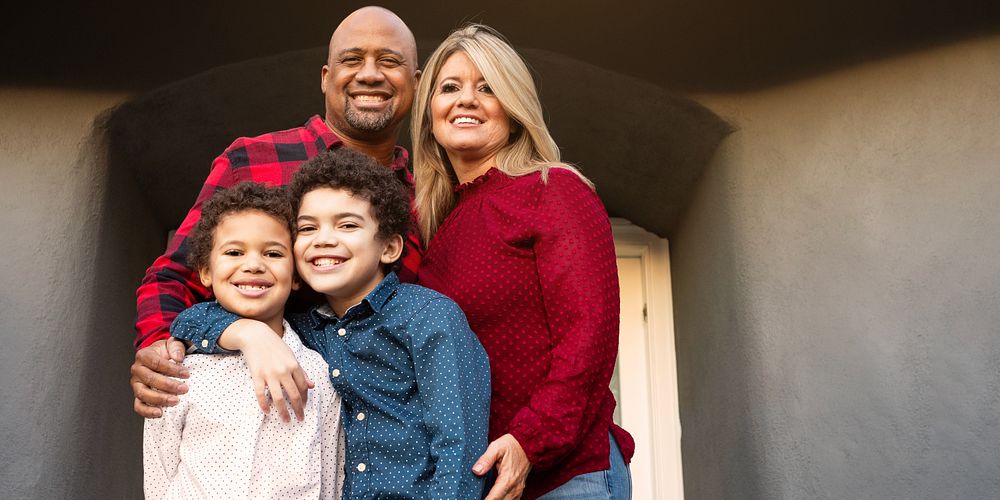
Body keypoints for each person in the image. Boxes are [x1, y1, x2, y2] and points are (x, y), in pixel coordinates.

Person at [130, 6, 422, 421]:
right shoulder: (252, 159)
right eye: (352, 59)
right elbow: (174, 277)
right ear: (326, 77)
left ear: (415, 84)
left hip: (378, 439)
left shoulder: (424, 197)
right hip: (256, 418)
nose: (370, 74)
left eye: (389, 61)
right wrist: (160, 347)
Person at [170, 149, 492, 499]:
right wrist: (250, 334)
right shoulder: (303, 329)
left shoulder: (427, 316)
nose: (323, 239)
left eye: (348, 225)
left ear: (389, 248)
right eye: (308, 228)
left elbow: (459, 449)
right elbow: (191, 321)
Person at [410, 25, 634, 499]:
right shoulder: (438, 225)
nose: (466, 100)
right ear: (429, 111)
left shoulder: (551, 191)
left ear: (513, 109)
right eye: (450, 87)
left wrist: (530, 442)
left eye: (487, 87)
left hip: (568, 476)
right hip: (484, 482)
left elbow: (588, 335)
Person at [142, 182, 344, 499]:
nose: (253, 264)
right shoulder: (180, 373)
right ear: (206, 271)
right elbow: (159, 475)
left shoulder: (319, 375)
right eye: (235, 252)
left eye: (273, 253)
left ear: (295, 276)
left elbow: (331, 479)